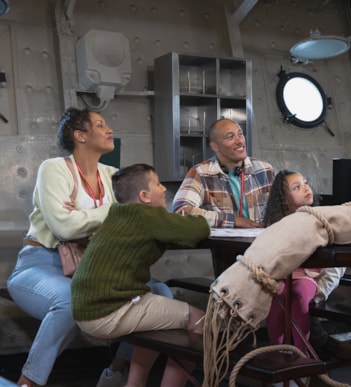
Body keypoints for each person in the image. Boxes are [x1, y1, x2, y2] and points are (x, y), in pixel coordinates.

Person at [6, 107, 118, 387]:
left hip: (90, 268)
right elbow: (64, 228)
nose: (109, 130)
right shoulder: (54, 169)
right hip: (39, 263)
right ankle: (27, 383)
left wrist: (82, 217)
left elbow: (139, 214)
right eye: (101, 125)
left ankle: (119, 373)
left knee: (156, 291)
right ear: (79, 135)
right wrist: (114, 210)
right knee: (70, 301)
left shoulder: (113, 175)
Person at [71, 163, 210, 387]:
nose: (164, 189)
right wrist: (194, 218)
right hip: (108, 311)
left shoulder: (119, 213)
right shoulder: (147, 215)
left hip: (87, 308)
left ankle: (134, 384)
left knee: (157, 319)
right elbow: (197, 230)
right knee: (201, 318)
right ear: (144, 196)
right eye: (157, 184)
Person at [263, 170, 351, 361]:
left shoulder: (321, 220)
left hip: (308, 277)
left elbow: (335, 260)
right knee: (275, 302)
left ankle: (302, 356)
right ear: (284, 199)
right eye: (296, 187)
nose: (306, 188)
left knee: (299, 297)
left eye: (305, 183)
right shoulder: (277, 225)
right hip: (283, 276)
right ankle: (279, 356)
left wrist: (321, 291)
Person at [172, 118, 274, 228]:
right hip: (224, 245)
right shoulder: (200, 173)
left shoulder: (265, 170)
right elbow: (181, 212)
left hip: (263, 243)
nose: (240, 141)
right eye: (230, 137)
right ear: (215, 146)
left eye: (240, 134)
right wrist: (232, 221)